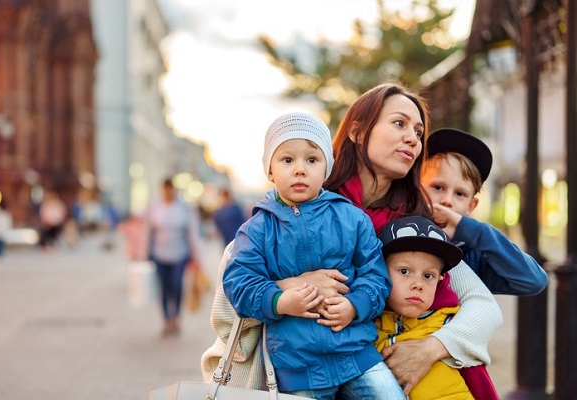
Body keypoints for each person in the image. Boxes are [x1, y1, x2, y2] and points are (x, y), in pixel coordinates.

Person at [202, 82, 503, 395]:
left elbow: (483, 306)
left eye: (418, 131)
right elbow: (230, 297)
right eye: (399, 123)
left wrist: (430, 349)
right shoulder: (289, 209)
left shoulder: (412, 225)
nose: (412, 138)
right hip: (297, 369)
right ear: (359, 132)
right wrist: (291, 287)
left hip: (368, 363)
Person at [222, 111, 404, 399]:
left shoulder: (352, 219)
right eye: (287, 160)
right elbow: (239, 283)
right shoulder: (256, 229)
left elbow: (376, 276)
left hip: (357, 356)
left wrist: (354, 306)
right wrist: (280, 301)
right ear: (270, 170)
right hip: (297, 369)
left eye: (312, 159)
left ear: (326, 169)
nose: (300, 169)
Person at [375, 215, 496, 399]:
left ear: (440, 280)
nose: (418, 284)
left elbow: (481, 386)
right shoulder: (365, 330)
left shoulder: (451, 327)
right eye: (404, 271)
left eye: (428, 276)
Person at [421, 128, 548, 295]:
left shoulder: (475, 256)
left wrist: (475, 232)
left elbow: (534, 281)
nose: (447, 200)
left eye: (460, 194)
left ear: (471, 206)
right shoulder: (398, 230)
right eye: (437, 187)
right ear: (418, 187)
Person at [143, 178, 202, 337]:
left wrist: (197, 257)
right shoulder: (155, 208)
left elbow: (192, 233)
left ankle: (175, 317)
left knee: (176, 286)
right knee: (163, 287)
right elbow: (148, 232)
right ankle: (166, 320)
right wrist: (144, 254)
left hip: (179, 254)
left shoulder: (183, 208)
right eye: (166, 189)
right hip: (159, 254)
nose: (168, 192)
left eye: (171, 189)